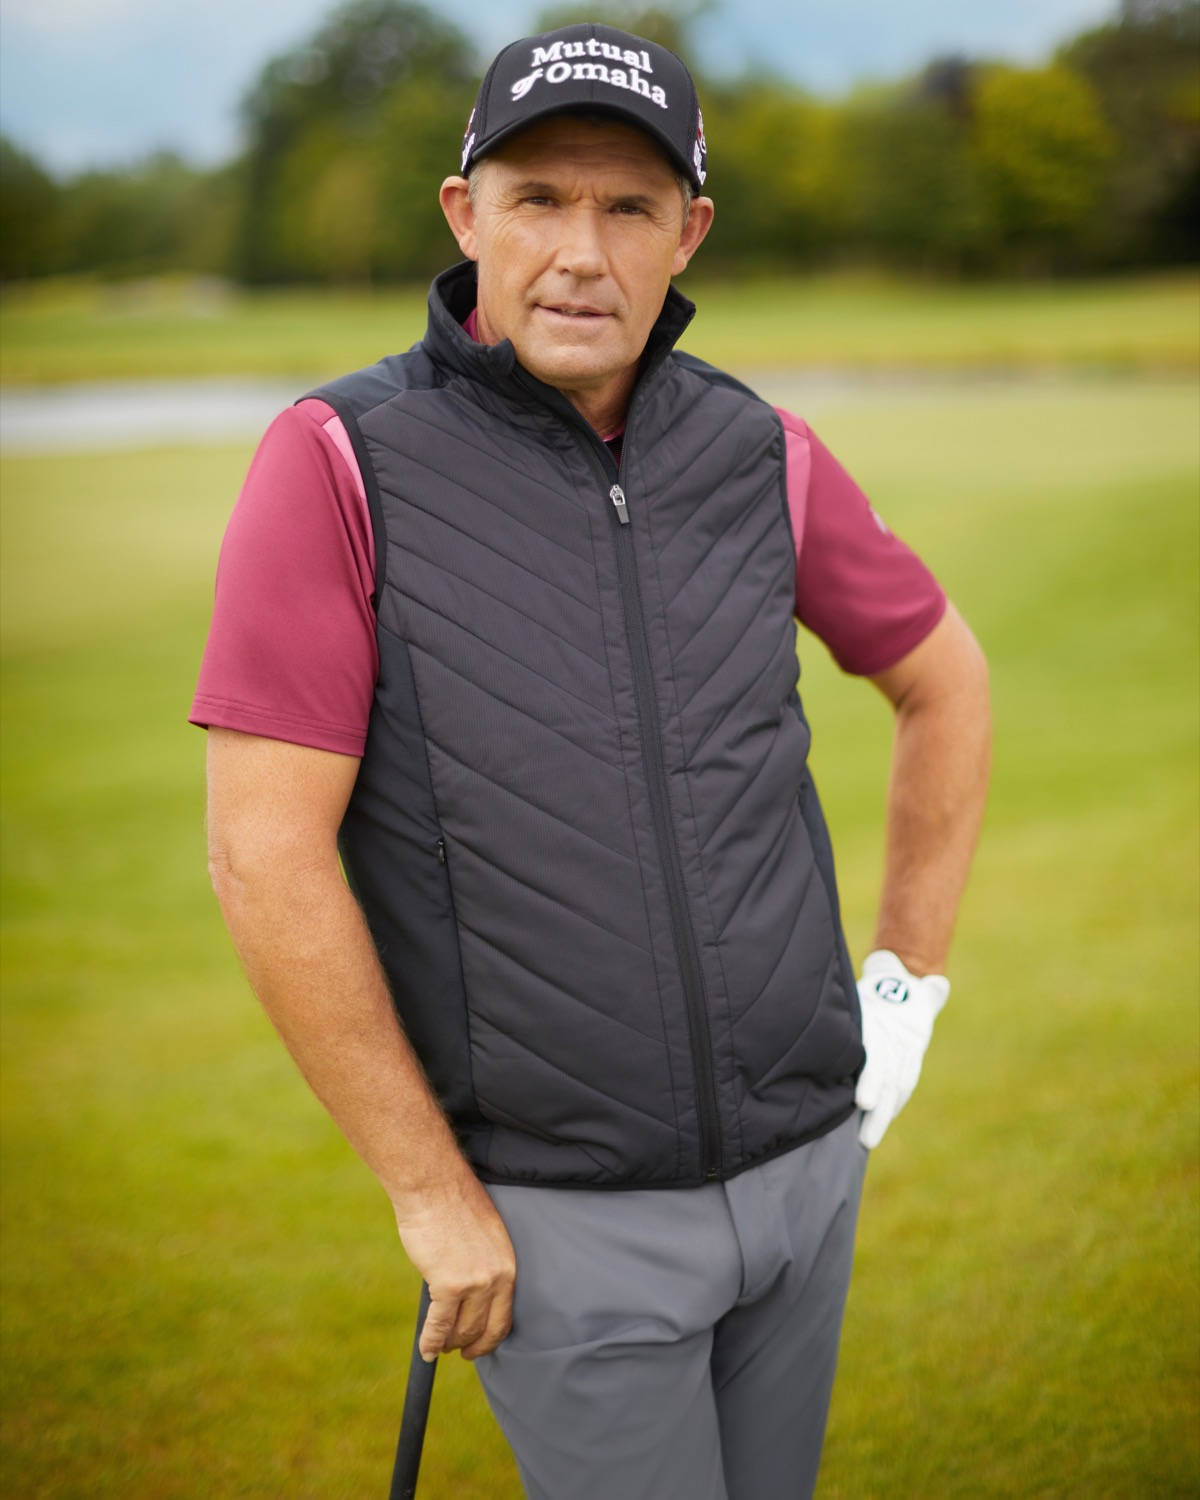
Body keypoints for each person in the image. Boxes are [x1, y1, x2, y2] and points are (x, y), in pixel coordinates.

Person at [192, 21, 991, 1500]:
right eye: (539, 199)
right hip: (557, 1220)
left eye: (628, 208)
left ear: (688, 234)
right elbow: (263, 852)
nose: (581, 250)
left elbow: (946, 681)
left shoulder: (762, 451)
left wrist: (906, 988)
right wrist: (432, 1196)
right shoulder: (338, 461)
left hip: (808, 1174)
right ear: (465, 216)